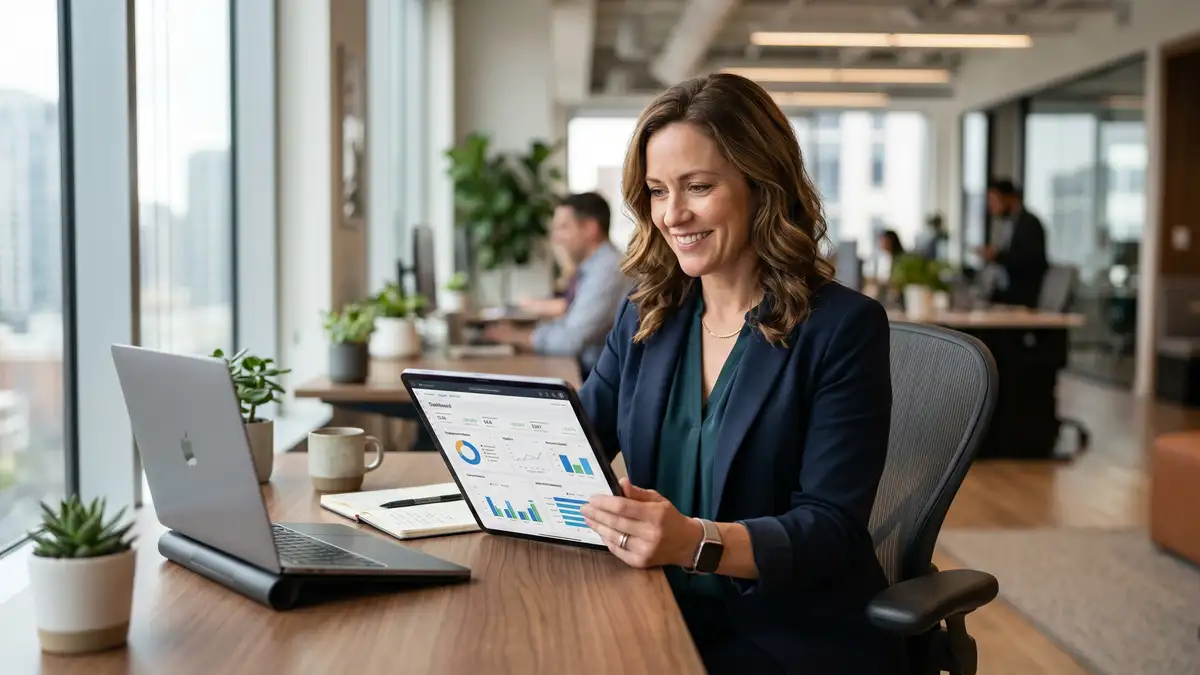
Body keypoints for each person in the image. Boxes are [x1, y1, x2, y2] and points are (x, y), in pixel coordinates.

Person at [574, 73, 903, 674]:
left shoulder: (842, 328)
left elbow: (830, 529)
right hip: (656, 607)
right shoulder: (647, 317)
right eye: (656, 191)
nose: (673, 215)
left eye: (699, 186)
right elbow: (578, 442)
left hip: (784, 634)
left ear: (762, 186)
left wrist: (694, 541)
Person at [483, 192, 631, 374]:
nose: (555, 238)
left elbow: (570, 340)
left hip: (597, 378)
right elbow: (569, 324)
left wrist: (516, 336)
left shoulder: (608, 270)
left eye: (563, 228)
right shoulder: (593, 268)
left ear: (590, 229)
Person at [977, 178, 1048, 308]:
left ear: (1010, 198)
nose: (991, 207)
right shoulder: (1010, 224)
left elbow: (1029, 262)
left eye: (994, 201)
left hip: (1020, 297)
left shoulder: (1029, 224)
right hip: (1004, 294)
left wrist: (997, 256)